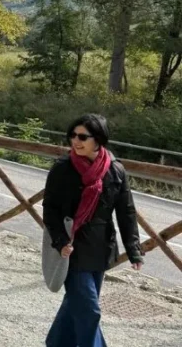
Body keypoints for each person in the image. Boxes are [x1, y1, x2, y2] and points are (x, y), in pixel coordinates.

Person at [43, 114, 142, 347]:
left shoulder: (115, 170)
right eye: (72, 136)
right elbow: (50, 209)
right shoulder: (63, 169)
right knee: (89, 310)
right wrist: (59, 241)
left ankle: (57, 343)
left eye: (82, 137)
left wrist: (134, 250)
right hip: (72, 248)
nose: (75, 141)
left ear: (98, 139)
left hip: (100, 248)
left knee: (77, 303)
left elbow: (126, 211)